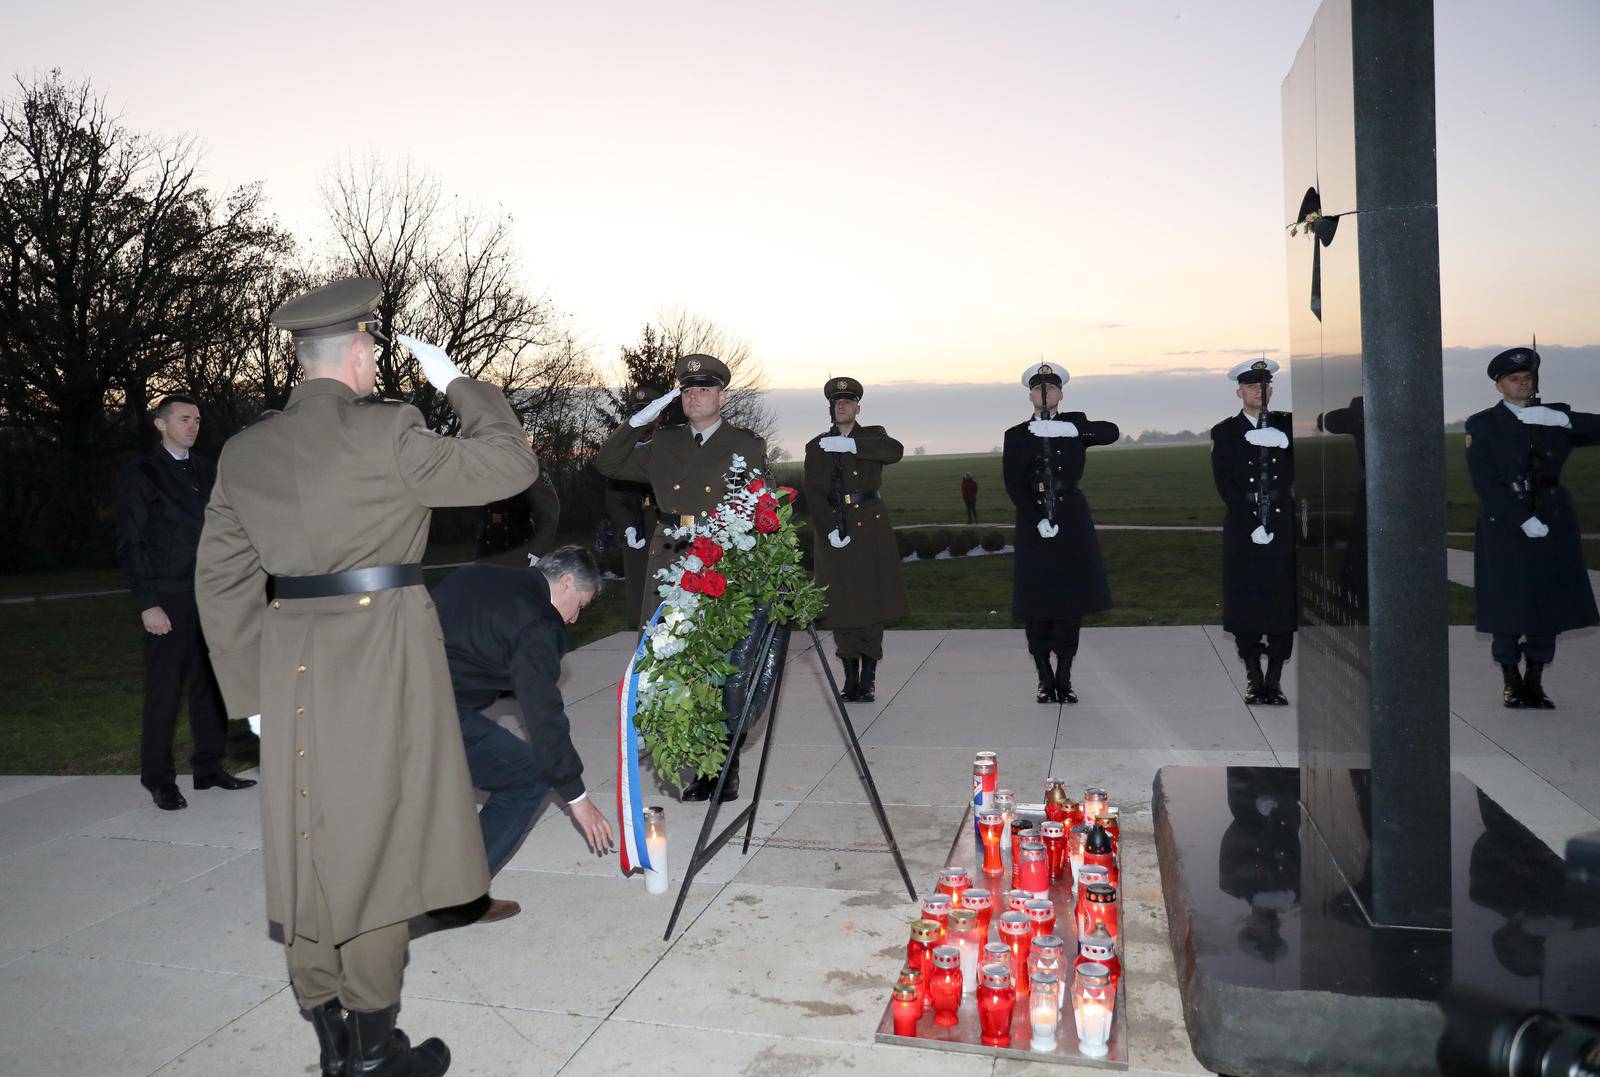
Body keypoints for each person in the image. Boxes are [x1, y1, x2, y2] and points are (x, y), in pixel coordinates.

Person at [196, 277, 538, 1077]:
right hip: (382, 657)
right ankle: (377, 1053)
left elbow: (219, 577)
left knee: (308, 839)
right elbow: (509, 462)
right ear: (356, 350)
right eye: (376, 348)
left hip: (290, 664)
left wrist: (249, 694)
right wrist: (458, 380)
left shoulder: (246, 450)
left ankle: (332, 1041)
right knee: (383, 847)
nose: (380, 360)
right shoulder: (390, 431)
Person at [595, 353, 765, 801]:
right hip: (670, 555)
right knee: (669, 659)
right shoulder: (663, 444)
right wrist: (637, 423)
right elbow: (608, 464)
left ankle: (722, 769)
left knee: (716, 662)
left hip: (717, 561)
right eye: (687, 390)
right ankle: (691, 755)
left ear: (722, 397)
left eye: (704, 389)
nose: (694, 396)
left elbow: (758, 508)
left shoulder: (745, 444)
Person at [433, 546, 614, 922]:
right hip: (429, 713)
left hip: (385, 697)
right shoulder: (539, 625)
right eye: (580, 605)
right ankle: (459, 896)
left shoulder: (477, 574)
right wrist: (576, 797)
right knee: (528, 777)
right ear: (565, 582)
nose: (575, 619)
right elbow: (544, 714)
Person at [115, 394, 255, 811]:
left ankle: (208, 767)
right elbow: (131, 542)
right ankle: (158, 779)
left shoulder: (209, 471)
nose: (192, 425)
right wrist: (147, 602)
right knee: (165, 691)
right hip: (168, 596)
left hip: (211, 594)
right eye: (183, 419)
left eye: (196, 419)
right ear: (160, 424)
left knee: (210, 686)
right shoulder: (142, 474)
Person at [1465, 346, 1600, 708]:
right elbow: (1485, 481)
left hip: (1553, 518)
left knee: (1547, 602)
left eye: (1528, 378)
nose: (1523, 384)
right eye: (1514, 379)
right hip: (1505, 523)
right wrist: (1520, 518)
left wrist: (1563, 421)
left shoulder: (1553, 416)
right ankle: (1511, 680)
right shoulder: (1483, 425)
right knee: (1507, 603)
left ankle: (1535, 681)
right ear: (1500, 386)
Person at [1003, 362, 1119, 704]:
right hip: (1033, 521)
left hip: (1071, 517)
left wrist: (1072, 430)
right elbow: (1013, 483)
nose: (1044, 393)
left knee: (1071, 602)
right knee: (1036, 602)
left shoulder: (1075, 426)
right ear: (1029, 396)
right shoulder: (1016, 435)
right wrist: (1037, 516)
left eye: (1051, 388)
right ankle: (1044, 677)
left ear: (1060, 395)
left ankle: (1065, 678)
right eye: (1038, 389)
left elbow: (1110, 432)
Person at [802, 377, 908, 702]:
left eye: (847, 402)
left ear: (858, 407)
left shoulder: (873, 435)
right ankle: (850, 677)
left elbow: (895, 452)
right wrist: (828, 529)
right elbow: (814, 494)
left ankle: (869, 676)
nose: (841, 406)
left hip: (870, 527)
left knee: (871, 602)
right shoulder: (817, 445)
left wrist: (854, 446)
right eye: (836, 403)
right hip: (835, 527)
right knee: (841, 603)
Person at [1210, 359, 1296, 706]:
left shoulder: (1289, 425)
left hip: (1282, 521)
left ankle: (1274, 680)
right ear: (1239, 392)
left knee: (1281, 599)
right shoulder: (1225, 431)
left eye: (1265, 385)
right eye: (1252, 386)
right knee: (1246, 600)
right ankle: (1253, 677)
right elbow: (1225, 483)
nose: (1260, 391)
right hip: (1244, 525)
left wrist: (1286, 441)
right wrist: (1250, 521)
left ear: (1271, 390)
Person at [476, 459, 561, 568]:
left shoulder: (529, 464)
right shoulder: (488, 462)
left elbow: (550, 513)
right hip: (486, 554)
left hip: (517, 553)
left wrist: (536, 551)